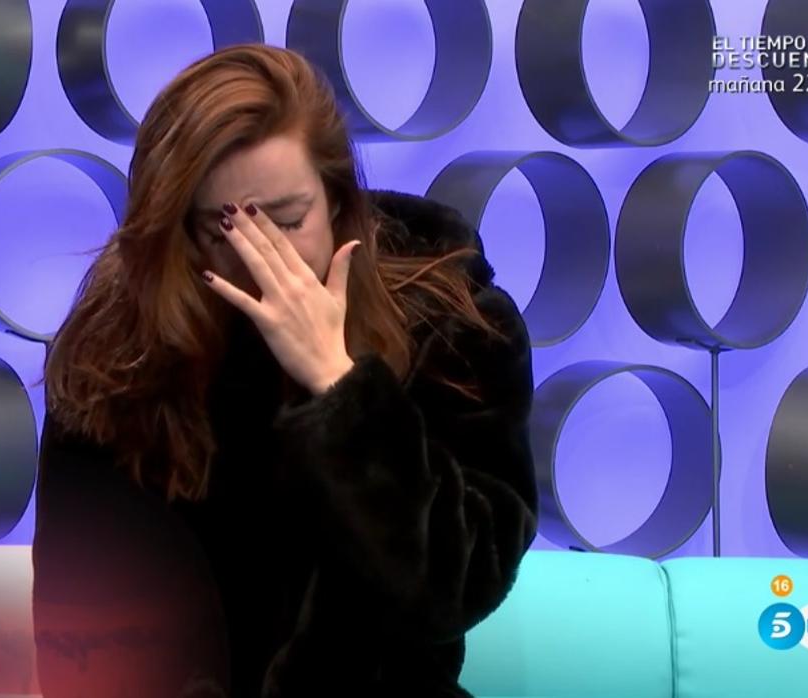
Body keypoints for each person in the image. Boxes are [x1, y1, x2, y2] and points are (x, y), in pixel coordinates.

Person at [31, 43, 538, 698]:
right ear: (178, 234)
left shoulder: (452, 324)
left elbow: (455, 589)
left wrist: (342, 390)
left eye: (290, 221)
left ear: (337, 201)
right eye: (226, 228)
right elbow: (88, 646)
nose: (265, 255)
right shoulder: (117, 357)